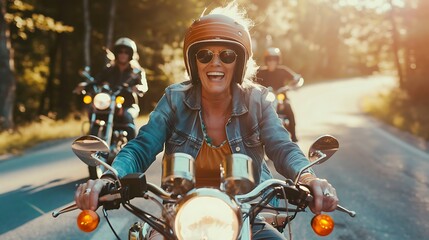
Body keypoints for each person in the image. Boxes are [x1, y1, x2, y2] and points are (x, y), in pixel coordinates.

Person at [75, 2, 338, 239]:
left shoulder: (257, 100)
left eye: (227, 55)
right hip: (180, 212)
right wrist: (110, 176)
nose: (215, 63)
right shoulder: (174, 99)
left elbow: (282, 146)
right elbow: (142, 146)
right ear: (193, 61)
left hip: (246, 212)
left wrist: (308, 178)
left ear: (239, 62)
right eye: (205, 55)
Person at [84, 37, 148, 140]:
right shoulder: (109, 70)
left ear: (130, 55)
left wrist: (138, 87)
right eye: (120, 51)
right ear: (116, 53)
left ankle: (133, 152)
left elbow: (144, 86)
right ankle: (93, 141)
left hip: (128, 105)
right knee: (93, 110)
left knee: (127, 116)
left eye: (126, 52)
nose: (123, 54)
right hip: (108, 103)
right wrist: (85, 85)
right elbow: (96, 80)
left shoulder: (137, 72)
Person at [256, 47, 301, 142]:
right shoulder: (261, 72)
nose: (271, 62)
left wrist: (295, 83)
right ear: (266, 60)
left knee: (288, 107)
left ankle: (293, 135)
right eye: (269, 59)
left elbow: (296, 78)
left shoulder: (282, 70)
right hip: (266, 100)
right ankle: (254, 137)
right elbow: (250, 80)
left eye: (274, 59)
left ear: (277, 60)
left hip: (281, 98)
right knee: (254, 111)